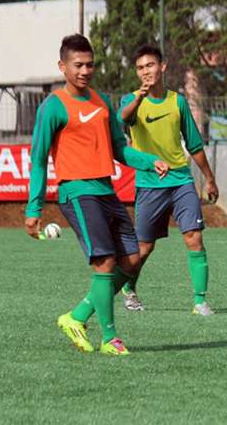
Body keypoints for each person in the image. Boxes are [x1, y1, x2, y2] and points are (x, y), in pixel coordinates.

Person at [24, 34, 169, 355]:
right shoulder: (53, 107)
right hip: (77, 192)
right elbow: (38, 159)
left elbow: (120, 149)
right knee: (104, 262)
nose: (85, 70)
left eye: (90, 64)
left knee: (131, 260)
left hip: (106, 189)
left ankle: (76, 317)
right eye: (78, 65)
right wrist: (34, 208)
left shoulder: (102, 101)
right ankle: (110, 338)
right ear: (62, 67)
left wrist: (149, 161)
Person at [118, 44, 219, 316]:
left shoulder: (178, 102)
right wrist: (138, 97)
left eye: (150, 65)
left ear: (162, 67)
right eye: (140, 68)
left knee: (194, 238)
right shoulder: (131, 101)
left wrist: (209, 179)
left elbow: (195, 145)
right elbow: (122, 119)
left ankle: (200, 301)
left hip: (181, 180)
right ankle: (129, 289)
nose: (145, 71)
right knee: (144, 248)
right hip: (150, 184)